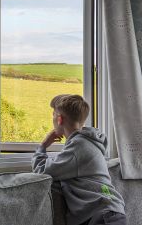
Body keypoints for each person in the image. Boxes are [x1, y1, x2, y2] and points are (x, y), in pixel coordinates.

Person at [32, 94, 126, 225]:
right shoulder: (86, 143)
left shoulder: (77, 148)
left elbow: (41, 171)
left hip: (102, 215)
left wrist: (42, 146)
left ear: (59, 119)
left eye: (53, 115)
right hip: (108, 212)